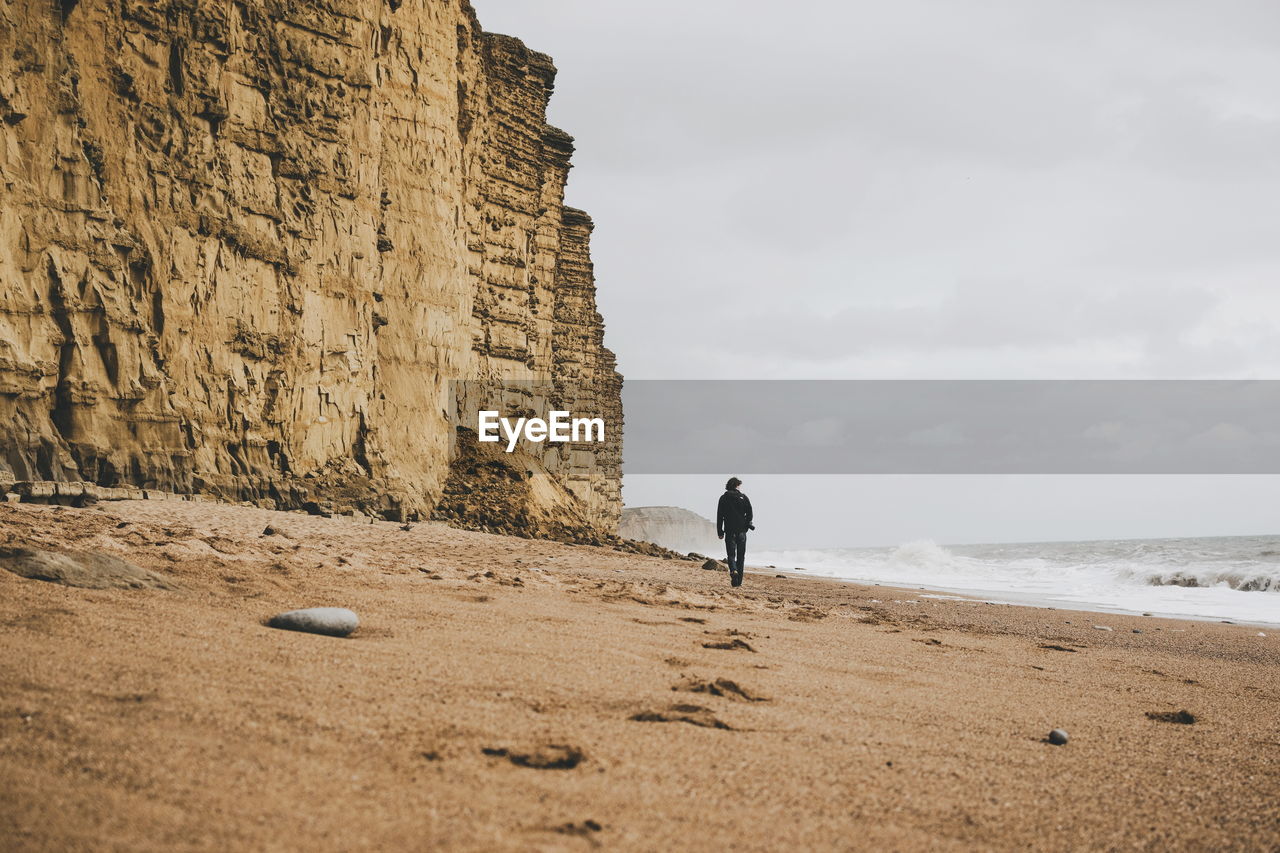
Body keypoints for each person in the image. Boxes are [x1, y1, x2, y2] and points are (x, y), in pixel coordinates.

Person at [716, 477, 754, 587]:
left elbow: (720, 516)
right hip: (742, 532)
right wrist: (747, 525)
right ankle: (738, 582)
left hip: (729, 531)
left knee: (731, 555)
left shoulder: (723, 498)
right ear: (736, 485)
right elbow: (750, 513)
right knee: (741, 557)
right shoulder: (744, 497)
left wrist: (720, 531)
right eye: (739, 485)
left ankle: (733, 570)